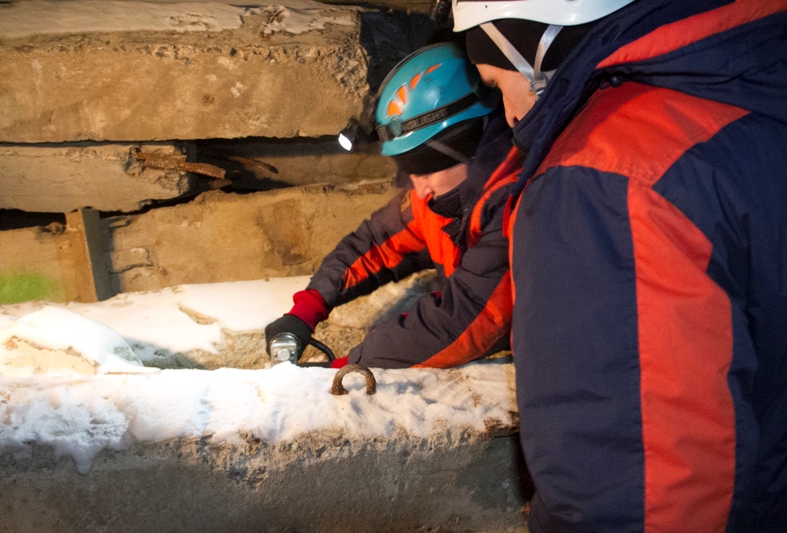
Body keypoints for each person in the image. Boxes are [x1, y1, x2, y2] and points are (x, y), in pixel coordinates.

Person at [450, 0, 787, 531]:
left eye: (498, 84)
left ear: (535, 45)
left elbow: (638, 496)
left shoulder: (602, 179)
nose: (511, 115)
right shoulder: (746, 93)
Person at [265, 41, 523, 369]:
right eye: (408, 169)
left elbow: (464, 320)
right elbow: (376, 244)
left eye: (426, 166)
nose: (418, 186)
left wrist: (346, 366)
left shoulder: (516, 206)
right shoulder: (442, 197)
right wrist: (306, 309)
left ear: (471, 145)